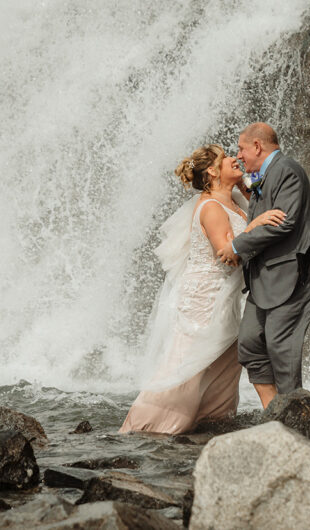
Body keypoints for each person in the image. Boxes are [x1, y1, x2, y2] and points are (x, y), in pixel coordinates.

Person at [120, 144, 285, 434]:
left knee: (224, 361)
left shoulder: (233, 198)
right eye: (226, 158)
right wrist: (256, 224)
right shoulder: (210, 207)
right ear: (211, 170)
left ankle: (211, 422)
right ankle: (147, 428)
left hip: (227, 294)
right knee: (188, 363)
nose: (235, 158)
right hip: (206, 295)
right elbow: (227, 254)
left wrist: (250, 192)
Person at [217, 123, 310, 409]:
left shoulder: (286, 170)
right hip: (265, 276)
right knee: (250, 343)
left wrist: (236, 247)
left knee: (281, 346)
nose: (239, 155)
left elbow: (284, 223)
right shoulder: (263, 176)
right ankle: (274, 412)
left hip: (294, 273)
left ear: (257, 146)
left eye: (242, 148)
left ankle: (297, 418)